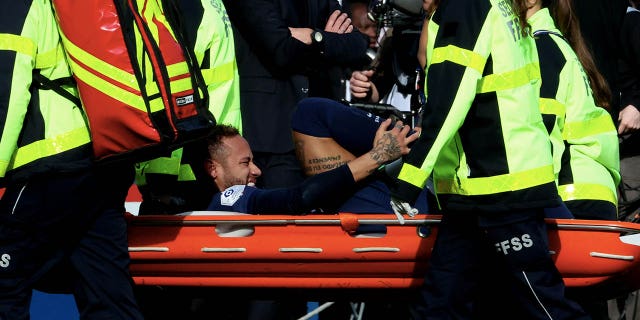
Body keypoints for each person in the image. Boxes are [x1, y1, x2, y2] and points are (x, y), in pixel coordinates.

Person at [386, 0, 589, 318]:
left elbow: (450, 98)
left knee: (543, 304)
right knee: (441, 305)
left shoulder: (466, 7)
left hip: (498, 187)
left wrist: (411, 177)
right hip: (480, 188)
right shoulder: (499, 6)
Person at [0, 1, 143, 319]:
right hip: (108, 160)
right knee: (106, 291)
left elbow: (8, 96)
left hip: (51, 165)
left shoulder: (18, 7)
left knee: (5, 282)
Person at [222, 0, 370, 191]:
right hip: (273, 132)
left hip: (320, 135)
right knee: (280, 216)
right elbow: (280, 49)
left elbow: (358, 45)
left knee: (325, 214)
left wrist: (314, 36)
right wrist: (328, 40)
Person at [528, 0, 620, 221]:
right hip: (593, 191)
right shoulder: (557, 43)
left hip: (571, 196)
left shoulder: (540, 46)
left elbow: (543, 128)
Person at [206, 120, 417, 215]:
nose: (257, 170)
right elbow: (299, 199)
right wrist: (377, 156)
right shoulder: (230, 198)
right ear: (213, 169)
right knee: (309, 113)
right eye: (245, 163)